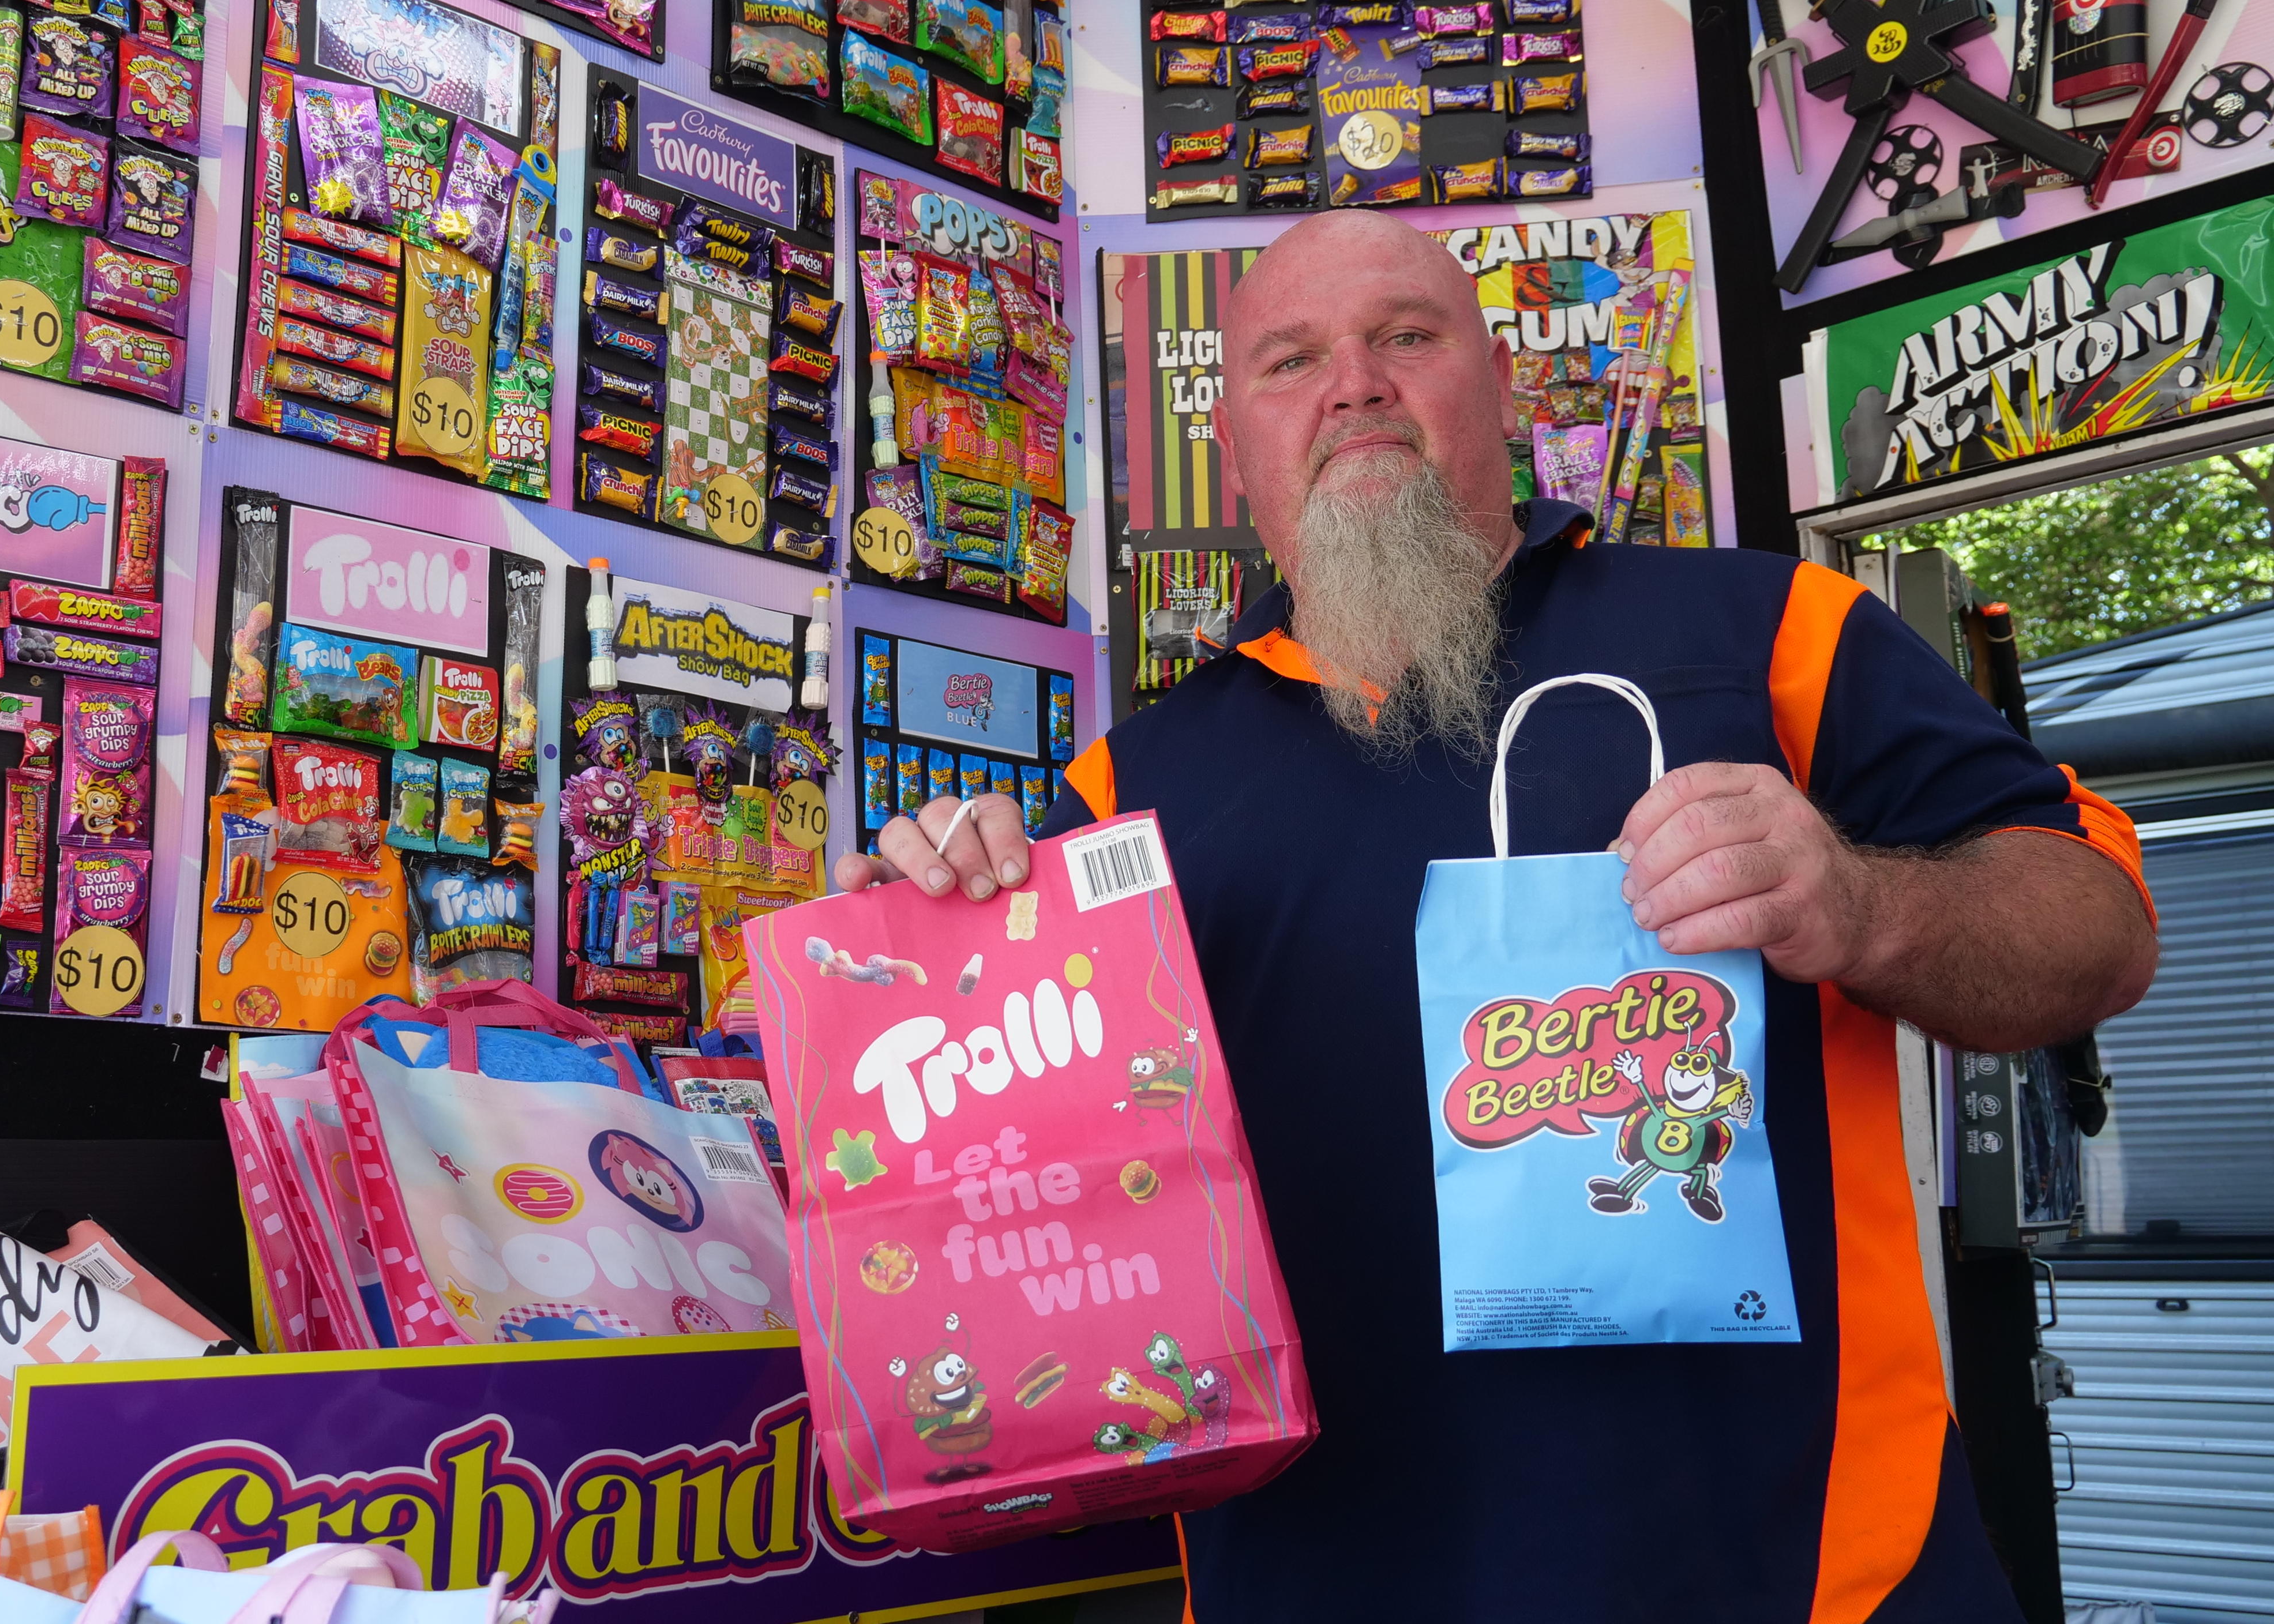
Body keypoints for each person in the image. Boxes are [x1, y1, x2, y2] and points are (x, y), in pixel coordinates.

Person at [837, 212, 2157, 1623]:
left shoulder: (1767, 629)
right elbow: (1018, 1220)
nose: (1353, 383)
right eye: (1292, 360)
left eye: (1405, 336)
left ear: (1503, 388)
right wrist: (920, 956)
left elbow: (2098, 927)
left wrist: (1858, 904)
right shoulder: (1119, 795)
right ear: (1235, 448)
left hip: (1809, 1583)